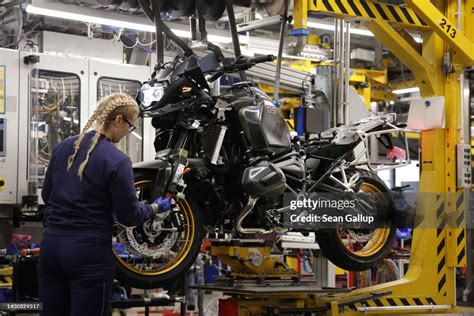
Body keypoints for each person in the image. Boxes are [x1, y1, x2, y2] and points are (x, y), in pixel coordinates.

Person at [38, 93, 171, 316]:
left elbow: (47, 195)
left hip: (51, 249)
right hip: (88, 255)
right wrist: (155, 208)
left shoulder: (62, 147)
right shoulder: (117, 160)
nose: (129, 131)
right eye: (130, 125)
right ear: (118, 120)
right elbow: (129, 215)